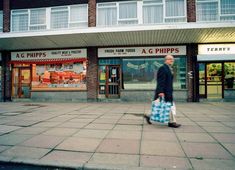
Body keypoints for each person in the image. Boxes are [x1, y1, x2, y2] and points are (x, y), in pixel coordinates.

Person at [145, 55, 181, 128]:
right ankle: (172, 122)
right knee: (171, 107)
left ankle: (148, 115)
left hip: (167, 91)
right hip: (164, 92)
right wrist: (161, 92)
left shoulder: (168, 68)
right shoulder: (163, 68)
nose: (172, 61)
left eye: (172, 60)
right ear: (166, 60)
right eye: (170, 59)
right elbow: (160, 81)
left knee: (159, 105)